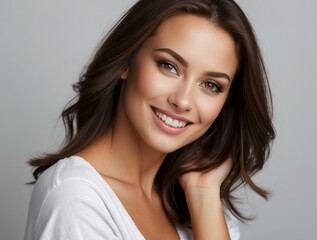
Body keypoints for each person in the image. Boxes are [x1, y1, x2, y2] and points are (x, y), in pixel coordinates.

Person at [24, 0, 275, 239]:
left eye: (211, 85)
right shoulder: (76, 197)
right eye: (168, 66)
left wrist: (203, 194)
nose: (183, 101)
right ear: (126, 62)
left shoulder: (195, 202)